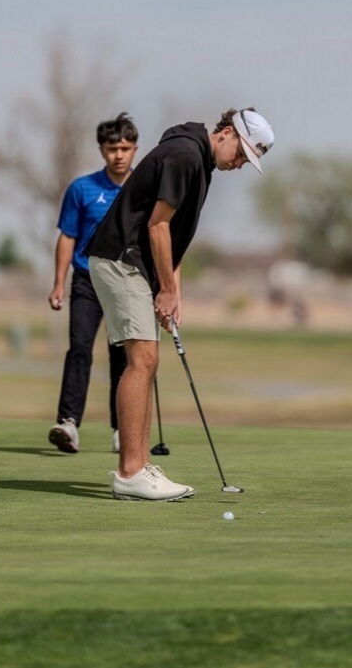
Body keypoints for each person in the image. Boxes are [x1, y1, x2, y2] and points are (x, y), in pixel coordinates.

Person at [85, 107, 274, 500]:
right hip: (122, 259)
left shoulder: (197, 161)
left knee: (146, 360)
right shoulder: (187, 156)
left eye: (247, 161)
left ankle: (137, 465)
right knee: (143, 360)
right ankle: (130, 472)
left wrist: (174, 291)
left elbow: (176, 236)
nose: (240, 164)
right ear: (226, 133)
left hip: (134, 264)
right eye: (241, 154)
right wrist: (166, 290)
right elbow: (157, 225)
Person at [48, 112, 139, 454]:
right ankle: (68, 423)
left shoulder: (141, 189)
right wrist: (59, 283)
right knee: (80, 348)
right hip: (86, 279)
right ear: (101, 150)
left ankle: (122, 430)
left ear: (135, 150)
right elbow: (67, 236)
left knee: (123, 355)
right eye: (112, 147)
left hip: (126, 281)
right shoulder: (81, 188)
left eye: (126, 148)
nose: (119, 155)